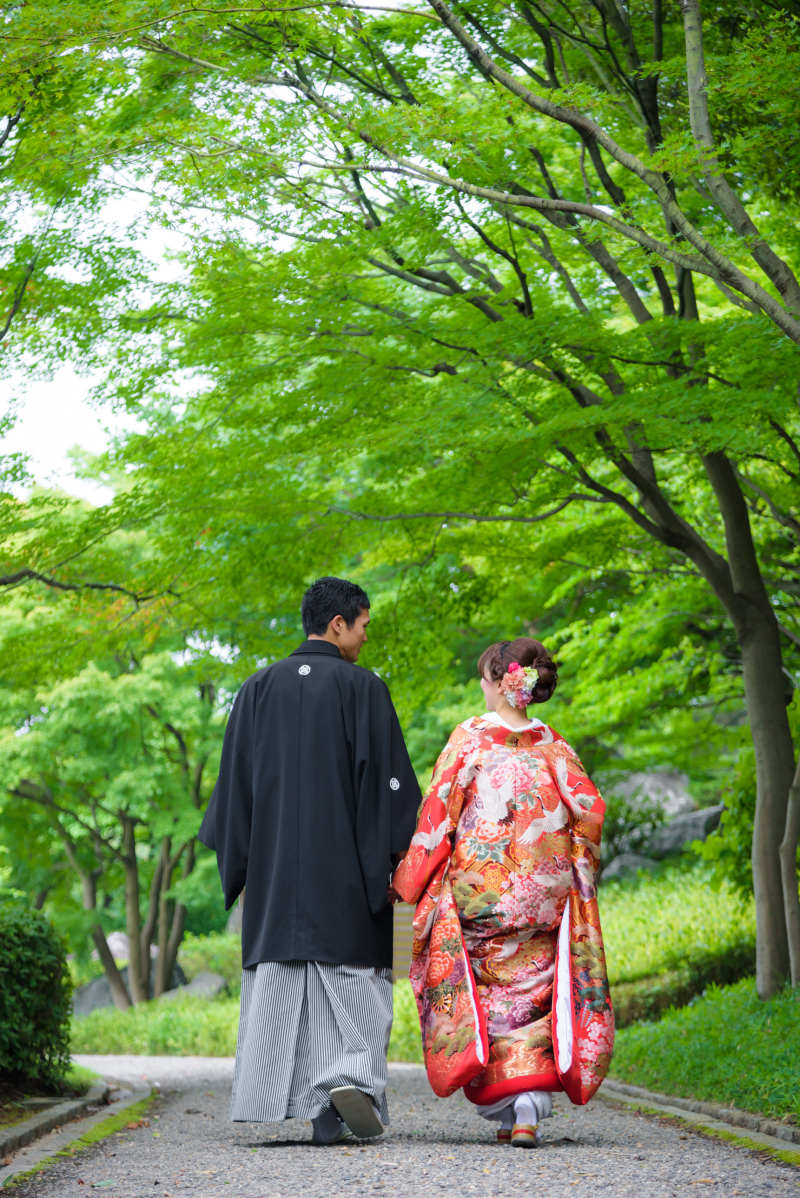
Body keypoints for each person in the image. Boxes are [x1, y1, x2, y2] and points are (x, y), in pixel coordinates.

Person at [198, 576, 421, 1144]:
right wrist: (395, 865)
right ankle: (338, 1095)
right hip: (347, 881)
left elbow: (234, 795)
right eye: (364, 624)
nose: (367, 636)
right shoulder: (364, 689)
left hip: (275, 887)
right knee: (351, 991)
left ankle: (286, 1097)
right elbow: (389, 793)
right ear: (338, 624)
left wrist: (246, 873)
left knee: (279, 994)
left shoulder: (254, 690)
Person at [393, 637, 614, 1148]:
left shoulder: (471, 738)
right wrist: (576, 871)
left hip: (483, 890)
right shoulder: (555, 745)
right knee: (535, 992)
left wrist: (409, 882)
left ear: (499, 683)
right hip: (545, 893)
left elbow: (437, 813)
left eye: (484, 679)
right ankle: (527, 1111)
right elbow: (592, 809)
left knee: (487, 991)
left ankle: (510, 1103)